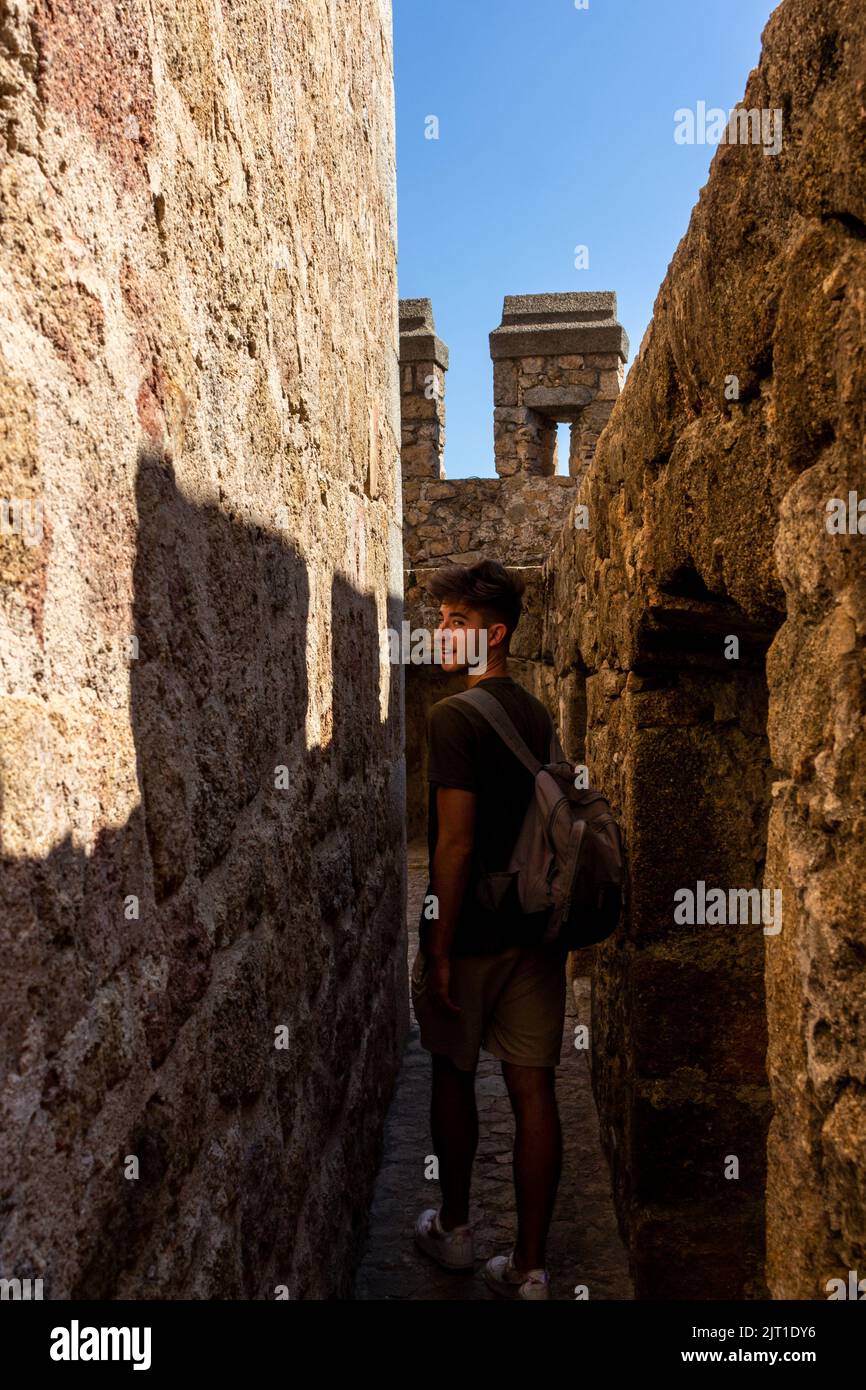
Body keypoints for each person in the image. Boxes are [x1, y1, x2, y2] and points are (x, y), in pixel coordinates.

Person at [411, 559, 568, 1301]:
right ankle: (533, 1268)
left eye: (456, 623)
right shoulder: (536, 713)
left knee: (453, 1071)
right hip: (536, 928)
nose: (440, 633)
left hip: (472, 931)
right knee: (534, 1089)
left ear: (494, 634)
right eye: (440, 620)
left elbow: (454, 846)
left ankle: (457, 1229)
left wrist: (438, 948)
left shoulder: (450, 718)